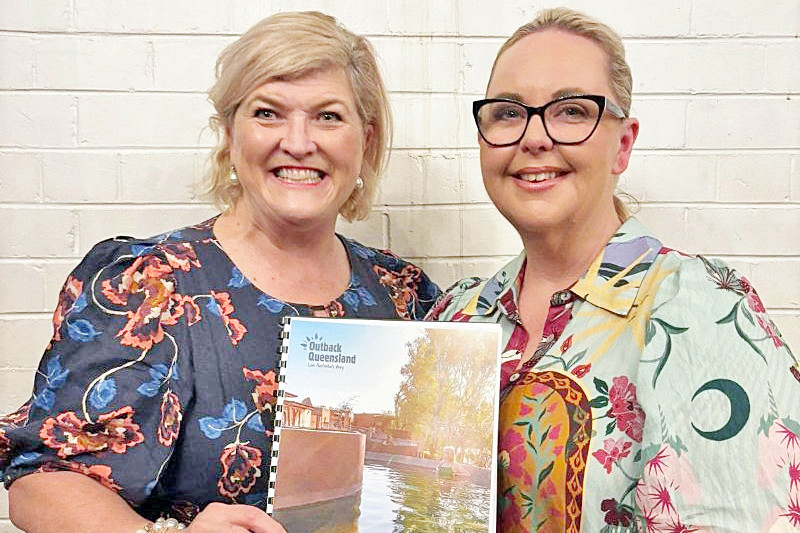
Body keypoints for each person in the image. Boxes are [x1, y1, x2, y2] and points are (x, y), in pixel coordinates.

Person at [1, 11, 440, 533]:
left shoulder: (403, 294)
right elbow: (42, 481)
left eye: (328, 116)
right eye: (268, 113)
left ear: (364, 141)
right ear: (231, 133)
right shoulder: (149, 283)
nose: (299, 143)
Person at [428, 7, 800, 532]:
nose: (534, 137)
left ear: (622, 145)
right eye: (508, 113)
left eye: (572, 111)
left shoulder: (698, 311)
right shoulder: (458, 314)